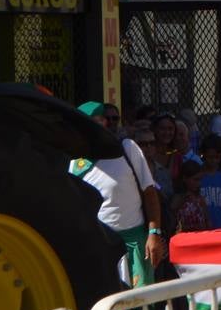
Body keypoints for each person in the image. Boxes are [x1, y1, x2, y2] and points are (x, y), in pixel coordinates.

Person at [71, 100, 166, 288]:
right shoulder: (75, 164)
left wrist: (154, 233)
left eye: (97, 122)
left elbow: (149, 193)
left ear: (104, 124)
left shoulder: (127, 149)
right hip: (100, 247)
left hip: (134, 244)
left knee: (141, 306)